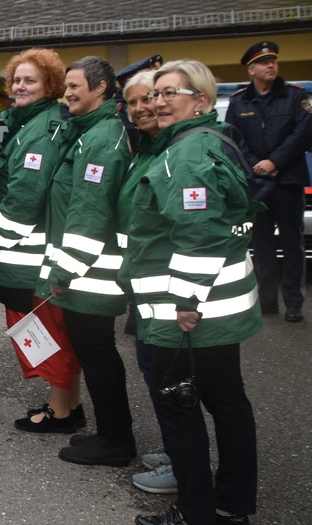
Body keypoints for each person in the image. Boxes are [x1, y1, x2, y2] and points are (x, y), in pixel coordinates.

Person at [127, 60, 260, 525]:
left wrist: (185, 301)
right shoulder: (207, 140)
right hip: (219, 307)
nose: (158, 102)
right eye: (156, 93)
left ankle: (195, 511)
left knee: (176, 404)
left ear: (199, 101)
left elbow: (199, 233)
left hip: (186, 310)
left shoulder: (185, 155)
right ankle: (231, 504)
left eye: (171, 94)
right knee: (227, 401)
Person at [40, 56, 134, 466]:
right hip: (83, 272)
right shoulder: (90, 132)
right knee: (96, 355)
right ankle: (110, 432)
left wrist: (65, 270)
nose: (68, 92)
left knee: (99, 356)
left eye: (76, 85)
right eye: (67, 86)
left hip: (88, 276)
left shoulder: (102, 140)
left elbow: (89, 214)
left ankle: (116, 441)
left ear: (101, 88)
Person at [0, 49, 84, 433]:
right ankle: (68, 404)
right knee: (53, 332)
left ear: (51, 86)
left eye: (30, 80)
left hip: (26, 256)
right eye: (16, 79)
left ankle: (61, 413)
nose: (20, 86)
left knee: (37, 332)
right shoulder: (31, 122)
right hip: (33, 254)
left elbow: (25, 195)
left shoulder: (41, 129)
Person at [118, 70, 180, 495]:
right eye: (135, 102)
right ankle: (175, 450)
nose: (142, 108)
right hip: (144, 284)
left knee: (169, 375)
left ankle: (181, 462)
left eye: (150, 99)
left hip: (166, 288)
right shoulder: (147, 146)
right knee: (152, 369)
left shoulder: (172, 152)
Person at [224, 41, 312, 322]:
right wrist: (254, 165)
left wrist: (274, 162)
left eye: (273, 60)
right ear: (251, 70)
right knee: (262, 245)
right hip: (256, 184)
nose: (271, 65)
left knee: (291, 244)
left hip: (287, 181)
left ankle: (293, 302)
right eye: (264, 62)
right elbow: (231, 138)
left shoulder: (295, 97)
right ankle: (266, 299)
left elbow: (304, 134)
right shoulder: (240, 101)